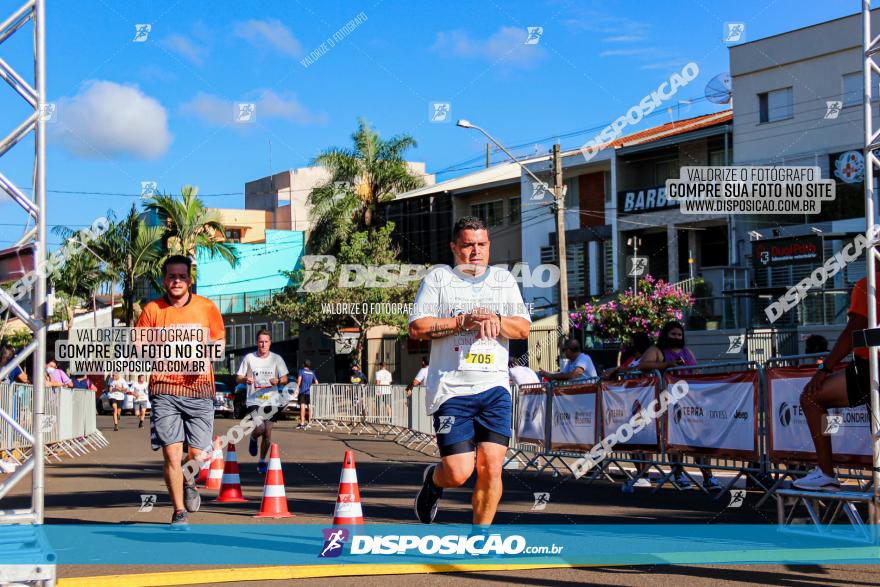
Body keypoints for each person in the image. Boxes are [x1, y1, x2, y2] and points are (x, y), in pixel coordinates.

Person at [410, 216, 531, 526]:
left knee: (491, 466)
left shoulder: (503, 281)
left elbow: (523, 328)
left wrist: (497, 321)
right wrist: (460, 322)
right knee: (459, 471)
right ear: (454, 247)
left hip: (494, 388)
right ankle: (434, 483)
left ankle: (480, 538)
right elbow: (417, 327)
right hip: (452, 389)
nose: (476, 251)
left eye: (482, 244)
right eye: (468, 245)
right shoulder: (439, 280)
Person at [136, 254, 225, 528]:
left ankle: (189, 478)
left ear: (189, 279)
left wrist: (201, 357)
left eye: (181, 276)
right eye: (171, 276)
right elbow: (139, 347)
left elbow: (219, 345)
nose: (176, 281)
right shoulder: (153, 309)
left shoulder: (206, 307)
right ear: (165, 279)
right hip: (164, 390)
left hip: (200, 390)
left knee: (197, 456)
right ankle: (178, 512)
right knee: (171, 454)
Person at [796, 275, 875, 491]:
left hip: (870, 367)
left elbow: (854, 331)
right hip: (867, 368)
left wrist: (824, 369)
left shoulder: (868, 282)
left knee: (810, 397)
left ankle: (826, 472)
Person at [638, 321, 720, 491]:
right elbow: (643, 365)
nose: (676, 337)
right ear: (665, 334)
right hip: (668, 402)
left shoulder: (687, 352)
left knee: (698, 439)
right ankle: (678, 475)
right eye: (673, 334)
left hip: (690, 401)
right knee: (674, 440)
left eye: (679, 335)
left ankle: (708, 476)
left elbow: (696, 370)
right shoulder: (657, 350)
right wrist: (666, 365)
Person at [236, 329, 289, 474]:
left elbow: (284, 378)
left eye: (266, 342)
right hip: (254, 400)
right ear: (257, 343)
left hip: (272, 401)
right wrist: (245, 379)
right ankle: (253, 438)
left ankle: (261, 462)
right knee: (260, 428)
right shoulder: (249, 358)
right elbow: (238, 377)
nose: (263, 344)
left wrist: (277, 380)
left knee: (267, 434)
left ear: (270, 343)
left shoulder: (276, 359)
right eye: (261, 342)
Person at [296, 360, 318, 429]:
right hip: (310, 392)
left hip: (302, 392)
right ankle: (309, 422)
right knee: (309, 407)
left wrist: (296, 389)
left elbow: (299, 381)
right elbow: (317, 382)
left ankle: (302, 423)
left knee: (302, 407)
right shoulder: (312, 372)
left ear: (303, 364)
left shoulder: (301, 371)